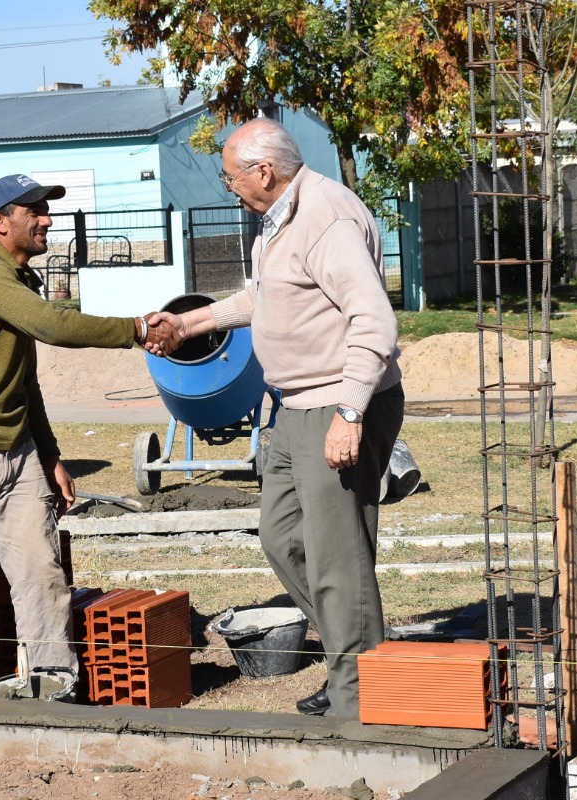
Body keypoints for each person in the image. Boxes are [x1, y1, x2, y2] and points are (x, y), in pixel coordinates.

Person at [147, 119, 404, 718]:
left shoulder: (327, 218)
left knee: (338, 555)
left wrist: (349, 411)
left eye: (231, 175)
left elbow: (374, 322)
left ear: (264, 171)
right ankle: (357, 656)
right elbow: (264, 297)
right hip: (292, 405)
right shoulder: (278, 221)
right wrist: (188, 323)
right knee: (283, 538)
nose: (228, 186)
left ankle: (360, 698)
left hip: (335, 404)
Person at [0, 174, 180, 700]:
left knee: (42, 578)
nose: (47, 219)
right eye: (34, 210)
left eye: (46, 209)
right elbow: (54, 327)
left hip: (17, 450)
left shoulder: (16, 278)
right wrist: (138, 330)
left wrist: (49, 454)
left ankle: (53, 693)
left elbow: (24, 380)